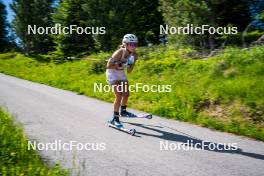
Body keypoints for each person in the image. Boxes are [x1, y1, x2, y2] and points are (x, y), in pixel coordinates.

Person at [106, 34, 138, 127]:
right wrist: (117, 64)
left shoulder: (135, 55)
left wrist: (131, 63)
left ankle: (123, 111)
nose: (133, 46)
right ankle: (115, 118)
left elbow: (129, 71)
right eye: (131, 44)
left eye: (135, 44)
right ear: (125, 44)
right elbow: (108, 65)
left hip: (120, 73)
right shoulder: (119, 52)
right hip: (112, 73)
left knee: (126, 94)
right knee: (119, 94)